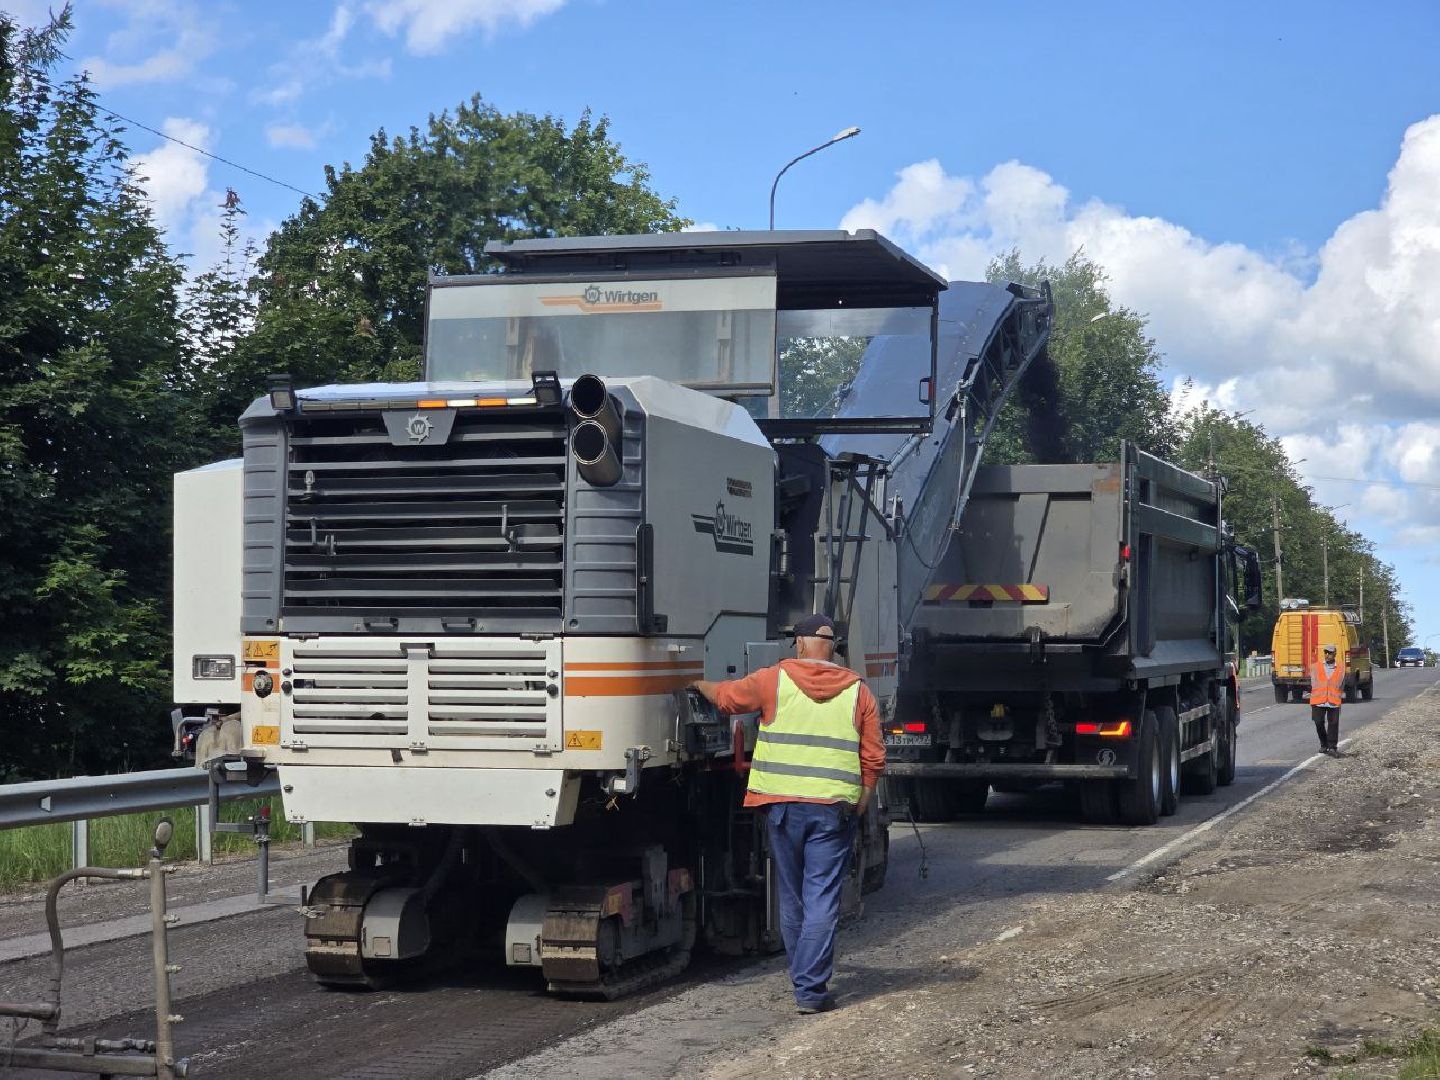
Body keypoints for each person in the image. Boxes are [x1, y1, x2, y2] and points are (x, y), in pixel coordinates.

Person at [688, 613, 884, 1014]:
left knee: (792, 899)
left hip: (783, 809)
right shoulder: (858, 692)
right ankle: (810, 990)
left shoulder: (773, 680)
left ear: (799, 644)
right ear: (832, 647)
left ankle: (805, 981)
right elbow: (874, 755)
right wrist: (863, 799)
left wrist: (697, 684)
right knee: (821, 898)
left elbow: (727, 698)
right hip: (833, 810)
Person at [1310, 642, 1344, 755]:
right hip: (1318, 700)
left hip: (1333, 701)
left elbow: (1341, 684)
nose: (1327, 654)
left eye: (1329, 652)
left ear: (1335, 654)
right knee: (1318, 722)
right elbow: (1313, 683)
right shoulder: (1315, 667)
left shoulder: (1340, 668)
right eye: (1325, 652)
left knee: (1333, 724)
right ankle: (1324, 744)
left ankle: (1332, 747)